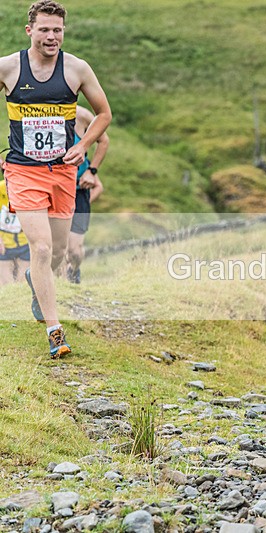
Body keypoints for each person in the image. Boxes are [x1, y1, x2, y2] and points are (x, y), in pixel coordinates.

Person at [0, 0, 112, 358]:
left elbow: (104, 114)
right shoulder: (8, 67)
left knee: (59, 253)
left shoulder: (77, 69)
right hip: (22, 169)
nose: (52, 36)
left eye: (58, 30)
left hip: (63, 173)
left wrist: (84, 146)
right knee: (42, 247)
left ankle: (37, 280)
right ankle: (55, 331)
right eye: (45, 29)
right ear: (29, 30)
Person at [65, 104, 109, 284]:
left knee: (74, 250)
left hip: (78, 191)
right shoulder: (41, 110)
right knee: (56, 247)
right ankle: (60, 285)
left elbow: (104, 140)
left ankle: (74, 271)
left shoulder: (82, 116)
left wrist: (92, 171)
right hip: (53, 188)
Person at [1, 160, 31, 286]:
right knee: (5, 285)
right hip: (5, 243)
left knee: (23, 284)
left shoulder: (28, 190)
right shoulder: (1, 188)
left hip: (25, 242)